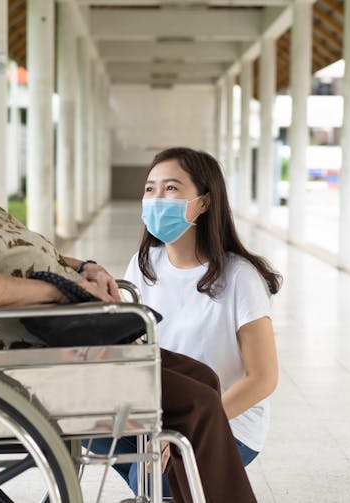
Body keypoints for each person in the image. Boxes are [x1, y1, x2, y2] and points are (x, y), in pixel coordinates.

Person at [0, 73, 258, 503]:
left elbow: (13, 256)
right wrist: (58, 292)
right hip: (29, 366)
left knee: (202, 378)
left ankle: (182, 494)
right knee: (196, 401)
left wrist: (79, 268)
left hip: (47, 348)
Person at [90, 147, 281, 498]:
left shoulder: (240, 277)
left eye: (171, 188)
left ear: (205, 203)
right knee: (86, 430)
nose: (157, 198)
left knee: (151, 478)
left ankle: (158, 486)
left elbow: (263, 378)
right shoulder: (146, 264)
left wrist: (193, 430)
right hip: (163, 410)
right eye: (150, 189)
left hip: (227, 422)